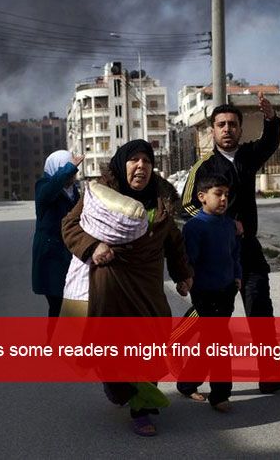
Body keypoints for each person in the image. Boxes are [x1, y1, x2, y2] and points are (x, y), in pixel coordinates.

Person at [62, 140, 194, 437]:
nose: (141, 166)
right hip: (109, 286)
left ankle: (142, 406)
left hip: (147, 288)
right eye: (134, 160)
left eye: (146, 161)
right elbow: (70, 226)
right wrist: (93, 246)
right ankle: (127, 393)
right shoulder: (99, 196)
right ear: (122, 165)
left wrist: (183, 275)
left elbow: (173, 242)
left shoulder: (161, 201)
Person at [181, 93, 280, 393]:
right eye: (221, 124)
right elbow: (186, 207)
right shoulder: (202, 168)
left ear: (240, 129)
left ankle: (271, 376)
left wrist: (271, 119)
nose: (227, 129)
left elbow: (270, 143)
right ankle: (188, 372)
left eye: (232, 124)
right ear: (212, 131)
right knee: (214, 325)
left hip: (249, 251)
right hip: (217, 259)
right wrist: (225, 223)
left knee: (261, 313)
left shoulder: (247, 156)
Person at [176, 173, 241, 412]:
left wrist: (237, 276)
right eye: (218, 194)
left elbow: (234, 254)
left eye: (226, 194)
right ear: (202, 197)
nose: (224, 199)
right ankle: (220, 395)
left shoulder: (229, 224)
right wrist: (184, 280)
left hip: (226, 291)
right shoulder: (195, 227)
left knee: (210, 341)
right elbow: (188, 260)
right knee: (221, 341)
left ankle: (186, 383)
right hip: (205, 293)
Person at [31, 150, 83, 319]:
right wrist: (69, 168)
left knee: (72, 306)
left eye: (74, 173)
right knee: (58, 307)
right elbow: (50, 190)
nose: (72, 177)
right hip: (51, 257)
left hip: (70, 256)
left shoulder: (74, 192)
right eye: (69, 172)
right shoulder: (44, 186)